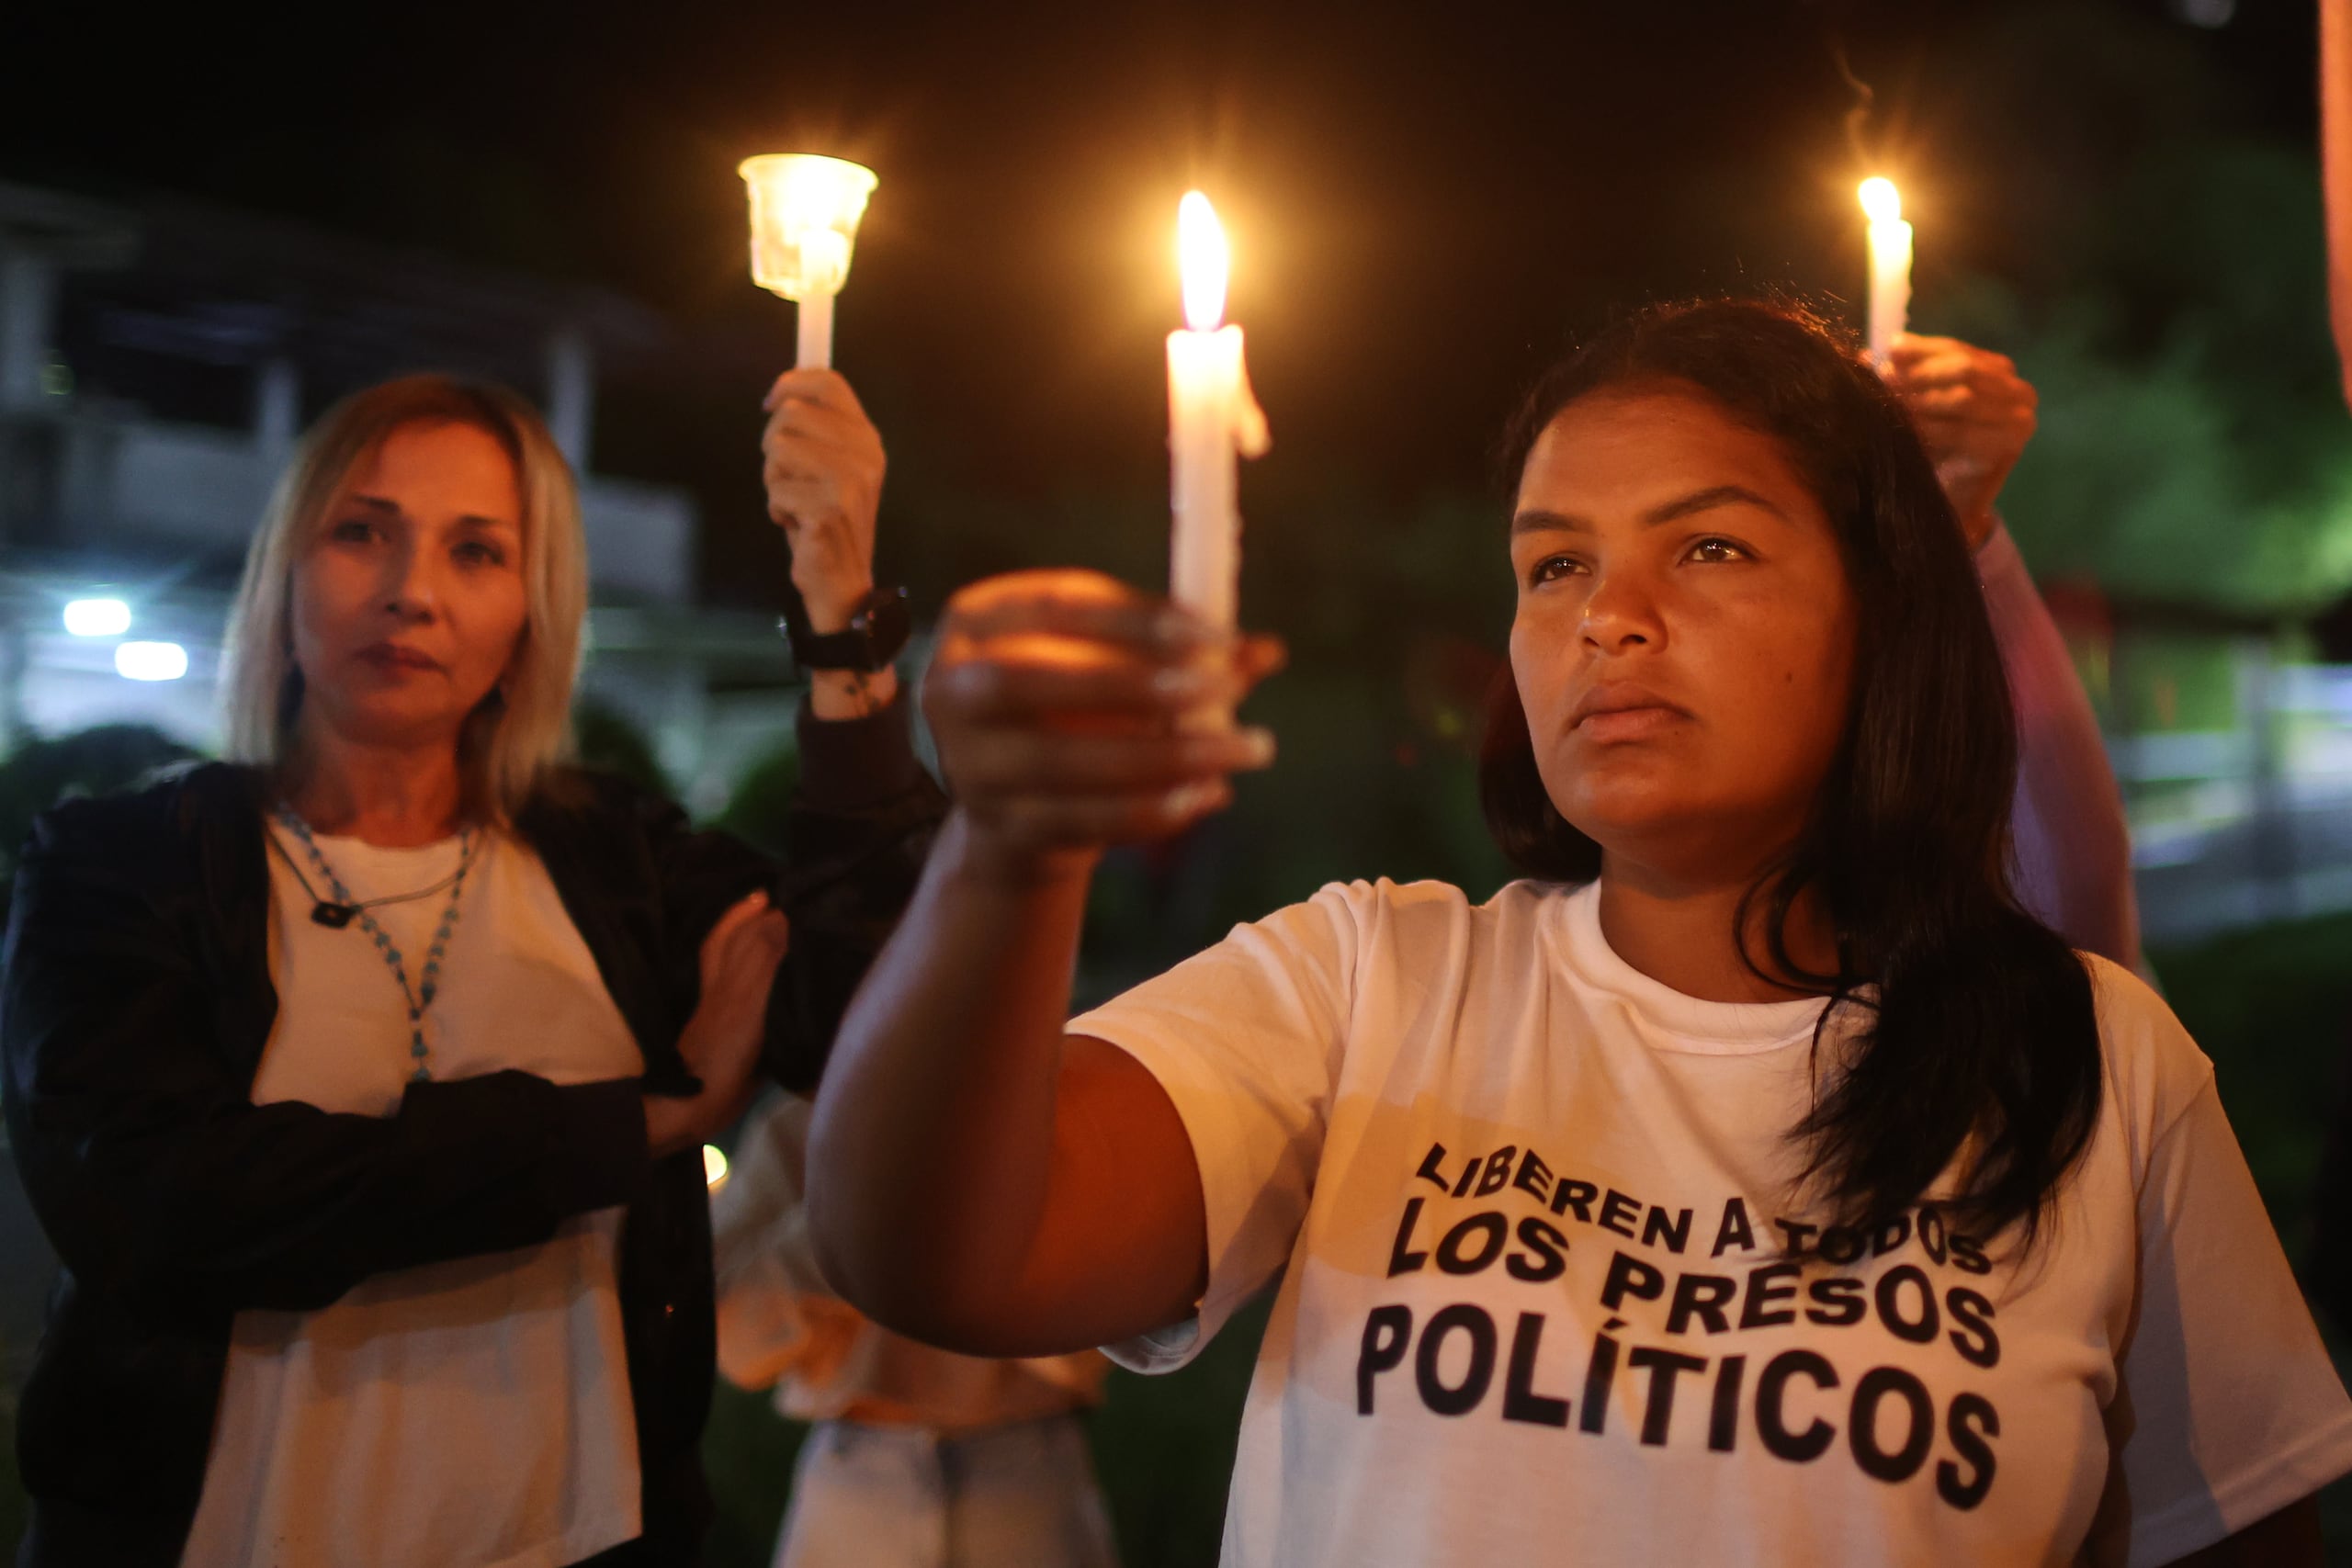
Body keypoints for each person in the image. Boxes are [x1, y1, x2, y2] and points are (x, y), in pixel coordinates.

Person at [805, 299, 2351, 1565]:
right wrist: (1009, 851)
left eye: (1711, 547)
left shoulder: (2091, 1060)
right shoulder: (1368, 979)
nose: (1609, 615)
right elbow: (941, 1249)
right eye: (1554, 564)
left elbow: (2244, 1528)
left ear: (1886, 614)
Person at [0, 367, 943, 1566]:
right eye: (361, 532)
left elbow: (879, 1012)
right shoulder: (120, 863)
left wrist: (840, 615)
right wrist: (631, 1126)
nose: (409, 592)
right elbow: (165, 1204)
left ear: (530, 616)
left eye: (476, 552)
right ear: (285, 571)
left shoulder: (624, 865)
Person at [714, 1090, 1118, 1568]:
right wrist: (872, 1215)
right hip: (853, 1485)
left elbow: (1106, 1335)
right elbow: (733, 1343)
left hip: (1026, 1478)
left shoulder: (1054, 1102)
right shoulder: (802, 1122)